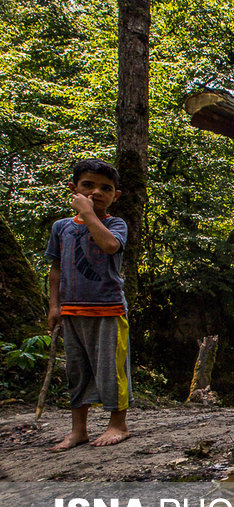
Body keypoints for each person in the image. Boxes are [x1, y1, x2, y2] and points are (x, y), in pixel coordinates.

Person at [45, 159, 133, 451]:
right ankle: (78, 430)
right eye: (88, 185)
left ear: (115, 196)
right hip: (72, 310)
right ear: (74, 188)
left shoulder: (115, 224)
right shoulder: (61, 228)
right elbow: (55, 269)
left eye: (105, 188)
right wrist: (54, 306)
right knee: (77, 370)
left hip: (108, 309)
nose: (96, 192)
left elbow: (109, 246)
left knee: (112, 368)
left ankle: (117, 424)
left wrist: (87, 213)